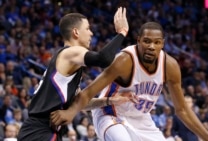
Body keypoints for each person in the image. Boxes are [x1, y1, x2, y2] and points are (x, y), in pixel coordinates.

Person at [50, 22, 208, 141]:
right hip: (110, 113)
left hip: (141, 118)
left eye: (156, 43)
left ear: (162, 44)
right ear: (138, 40)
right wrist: (70, 112)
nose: (151, 46)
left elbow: (182, 109)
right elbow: (88, 92)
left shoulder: (170, 66)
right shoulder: (124, 61)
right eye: (147, 41)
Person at [17, 7, 131, 141]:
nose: (91, 34)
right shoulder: (70, 53)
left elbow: (79, 102)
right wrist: (122, 33)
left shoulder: (70, 64)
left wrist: (109, 101)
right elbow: (103, 58)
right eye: (88, 29)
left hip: (40, 131)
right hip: (40, 131)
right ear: (76, 32)